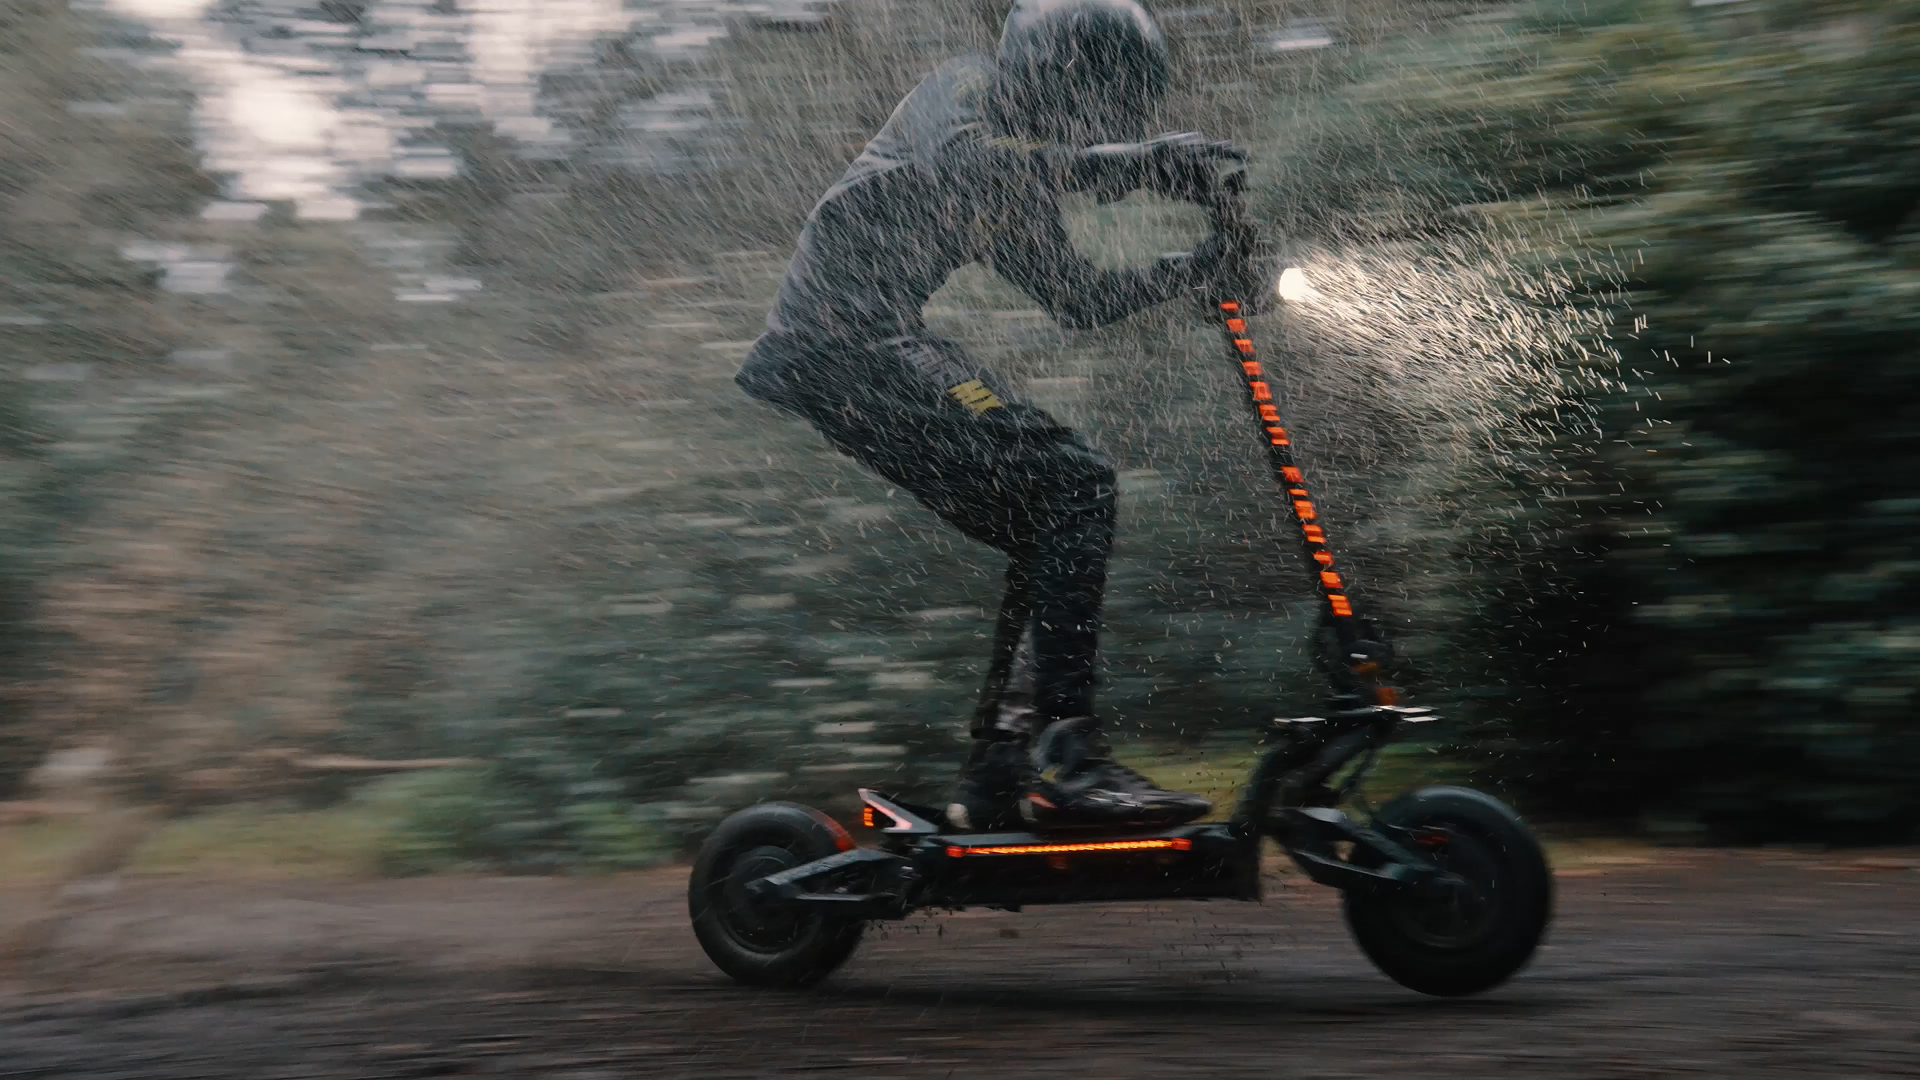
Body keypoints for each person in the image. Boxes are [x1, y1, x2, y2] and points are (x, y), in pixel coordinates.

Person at [736, 0, 1256, 832]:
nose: (1104, 123)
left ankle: (998, 776)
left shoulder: (1020, 173)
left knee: (1054, 519)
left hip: (877, 346)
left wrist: (1196, 264)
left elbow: (1078, 297)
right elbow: (977, 167)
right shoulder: (963, 93)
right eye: (1101, 102)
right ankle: (1070, 763)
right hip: (843, 344)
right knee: (1076, 486)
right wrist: (1142, 163)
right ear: (1057, 72)